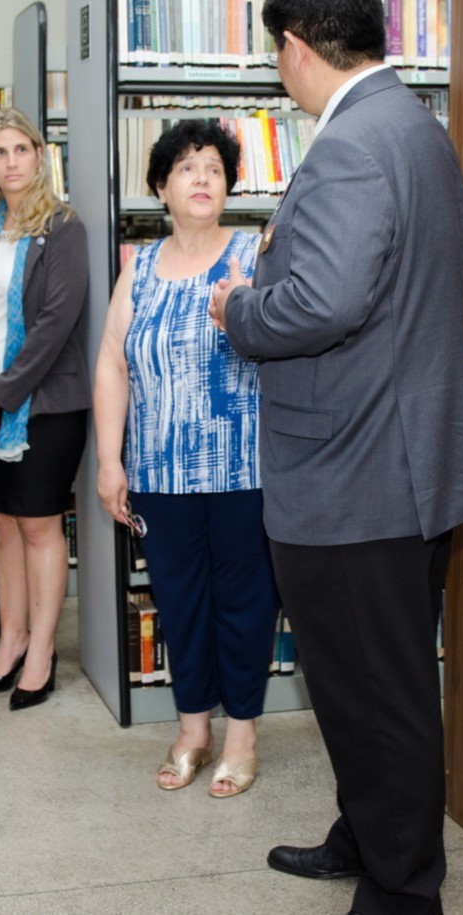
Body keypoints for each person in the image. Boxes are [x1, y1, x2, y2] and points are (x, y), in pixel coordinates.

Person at [209, 0, 463, 914]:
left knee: (378, 695)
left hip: (356, 474)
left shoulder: (350, 145)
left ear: (295, 47)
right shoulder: (412, 126)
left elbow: (322, 304)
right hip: (403, 459)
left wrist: (240, 309)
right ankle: (367, 834)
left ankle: (403, 890)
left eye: (274, 55)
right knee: (378, 683)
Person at [93, 121, 275, 797]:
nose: (202, 178)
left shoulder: (256, 254)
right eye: (187, 167)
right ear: (160, 187)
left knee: (246, 601)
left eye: (214, 169)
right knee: (178, 601)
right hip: (159, 473)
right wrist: (110, 461)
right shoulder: (137, 268)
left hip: (244, 471)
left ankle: (242, 734)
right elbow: (112, 366)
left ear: (228, 187)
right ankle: (193, 729)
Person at [0, 107, 90, 710]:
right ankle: (10, 642)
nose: (11, 162)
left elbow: (56, 322)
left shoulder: (64, 227)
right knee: (1, 524)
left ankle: (42, 655)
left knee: (36, 525)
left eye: (21, 150)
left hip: (46, 403)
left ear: (39, 156)